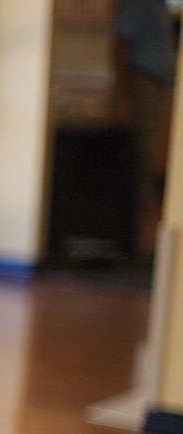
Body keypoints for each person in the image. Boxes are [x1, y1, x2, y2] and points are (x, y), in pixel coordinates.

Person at [113, 0, 177, 257]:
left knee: (157, 166)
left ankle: (149, 240)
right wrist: (124, 98)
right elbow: (120, 49)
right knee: (144, 163)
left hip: (162, 86)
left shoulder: (161, 6)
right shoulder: (138, 3)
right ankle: (142, 245)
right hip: (145, 84)